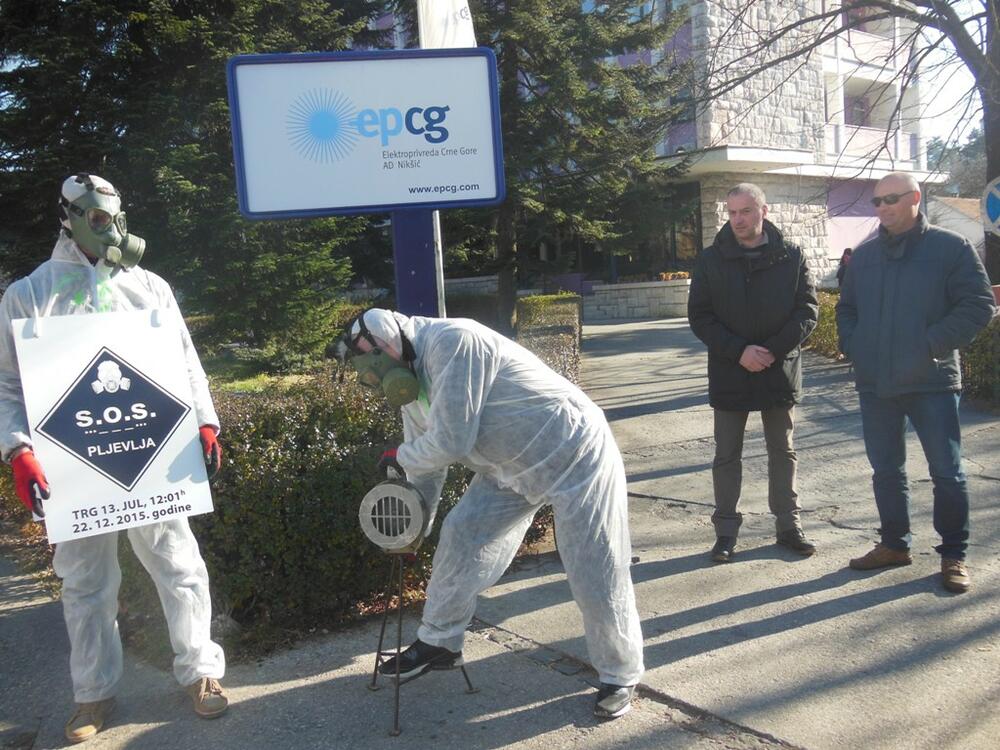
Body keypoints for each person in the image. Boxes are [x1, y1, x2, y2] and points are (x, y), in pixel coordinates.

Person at [0, 174, 229, 743]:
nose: (111, 229)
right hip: (74, 467)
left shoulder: (149, 287)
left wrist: (204, 417)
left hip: (147, 452)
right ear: (69, 217)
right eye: (97, 219)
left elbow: (184, 358)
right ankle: (93, 695)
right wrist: (18, 450)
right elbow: (7, 384)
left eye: (116, 216)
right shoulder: (30, 294)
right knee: (84, 582)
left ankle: (200, 672)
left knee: (179, 565)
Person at [338, 308, 644, 720]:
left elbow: (450, 440)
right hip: (509, 470)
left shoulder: (455, 343)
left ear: (387, 340)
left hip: (574, 454)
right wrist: (416, 529)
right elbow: (425, 466)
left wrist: (398, 454)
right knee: (462, 534)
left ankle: (619, 674)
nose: (372, 372)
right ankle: (441, 641)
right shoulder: (410, 388)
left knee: (594, 568)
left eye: (369, 358)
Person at [836, 172, 995, 593]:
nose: (883, 207)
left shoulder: (950, 247)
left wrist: (929, 345)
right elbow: (846, 310)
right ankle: (894, 544)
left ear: (915, 198)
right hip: (877, 382)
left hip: (932, 381)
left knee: (947, 472)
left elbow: (978, 305)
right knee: (886, 470)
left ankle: (954, 555)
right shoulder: (865, 256)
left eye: (892, 198)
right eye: (877, 201)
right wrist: (856, 346)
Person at [687, 183, 819, 563]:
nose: (738, 219)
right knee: (726, 455)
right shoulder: (711, 260)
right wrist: (739, 351)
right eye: (732, 212)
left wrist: (771, 351)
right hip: (731, 371)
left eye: (745, 211)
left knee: (783, 451)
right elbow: (701, 316)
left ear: (763, 210)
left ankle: (789, 528)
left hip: (779, 370)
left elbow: (807, 311)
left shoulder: (790, 255)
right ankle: (725, 533)